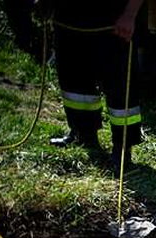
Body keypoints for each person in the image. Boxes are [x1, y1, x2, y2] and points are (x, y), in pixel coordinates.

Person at [48, 0, 144, 168]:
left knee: (120, 90)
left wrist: (129, 15)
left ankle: (123, 148)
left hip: (113, 26)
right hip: (67, 23)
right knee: (75, 86)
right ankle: (82, 134)